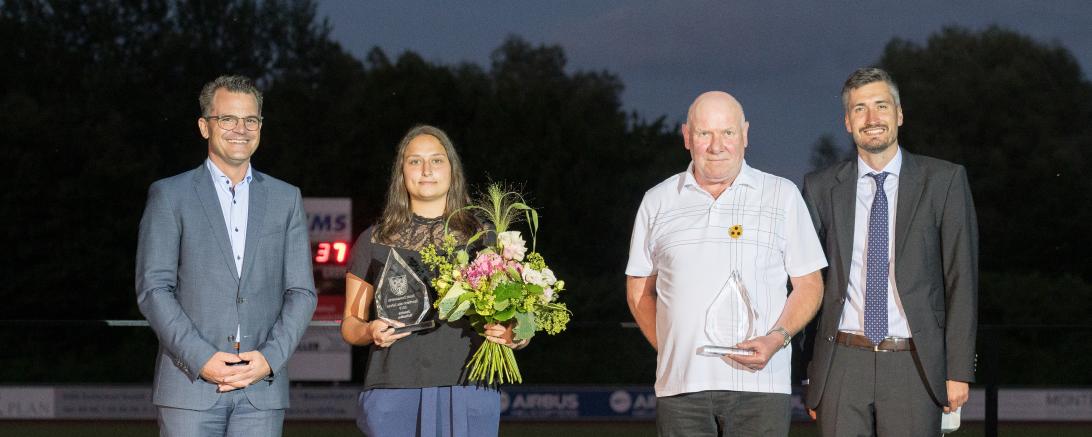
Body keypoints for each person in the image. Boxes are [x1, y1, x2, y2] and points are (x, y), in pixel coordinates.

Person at [625, 91, 827, 436]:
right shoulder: (657, 201)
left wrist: (776, 339)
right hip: (681, 390)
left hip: (761, 387)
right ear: (687, 136)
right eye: (704, 133)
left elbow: (809, 285)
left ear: (745, 134)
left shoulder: (782, 195)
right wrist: (674, 349)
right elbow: (638, 292)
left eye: (728, 132)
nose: (716, 146)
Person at [135, 75, 317, 436]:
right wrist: (201, 358)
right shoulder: (169, 195)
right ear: (205, 126)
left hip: (261, 389)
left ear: (261, 126)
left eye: (250, 120)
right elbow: (153, 289)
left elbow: (302, 292)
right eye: (228, 119)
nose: (240, 129)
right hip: (189, 386)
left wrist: (269, 359)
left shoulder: (286, 198)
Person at [802, 67, 978, 436]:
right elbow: (807, 284)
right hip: (841, 364)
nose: (871, 118)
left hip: (914, 364)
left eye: (881, 106)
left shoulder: (943, 181)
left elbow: (961, 279)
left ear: (899, 114)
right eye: (859, 109)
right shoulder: (820, 188)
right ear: (847, 122)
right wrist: (810, 373)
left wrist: (958, 369)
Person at [341, 125, 518, 437]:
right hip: (394, 389)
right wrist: (369, 330)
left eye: (436, 160)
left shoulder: (485, 238)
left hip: (468, 386)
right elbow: (350, 324)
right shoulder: (373, 240)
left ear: (452, 170)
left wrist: (511, 334)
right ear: (401, 172)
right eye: (415, 161)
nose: (426, 170)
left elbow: (516, 321)